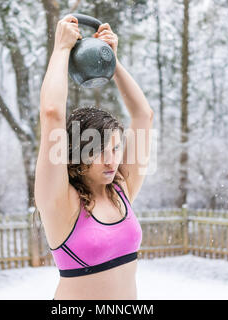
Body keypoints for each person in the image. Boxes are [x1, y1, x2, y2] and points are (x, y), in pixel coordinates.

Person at [34, 14, 154, 300]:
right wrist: (62, 50)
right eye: (98, 152)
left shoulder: (121, 189)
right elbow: (52, 115)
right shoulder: (60, 203)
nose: (111, 160)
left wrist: (112, 62)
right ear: (76, 155)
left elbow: (143, 115)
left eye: (114, 149)